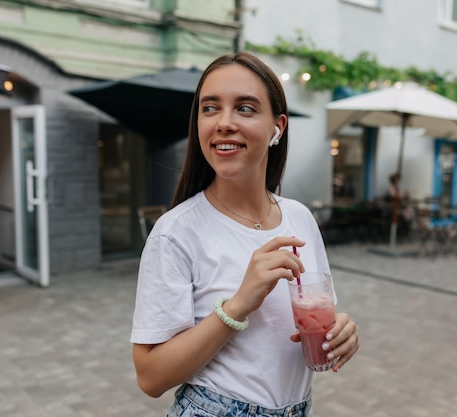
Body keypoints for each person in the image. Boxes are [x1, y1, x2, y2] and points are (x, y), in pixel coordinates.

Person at [130, 51, 360, 417]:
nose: (223, 122)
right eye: (210, 108)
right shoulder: (175, 233)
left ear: (277, 127)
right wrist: (238, 305)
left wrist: (340, 333)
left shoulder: (300, 218)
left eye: (245, 108)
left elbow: (312, 317)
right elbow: (150, 377)